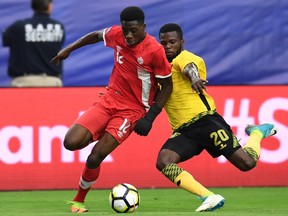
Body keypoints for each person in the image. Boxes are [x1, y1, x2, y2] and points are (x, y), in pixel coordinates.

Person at [51, 6, 172, 213]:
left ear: (144, 27)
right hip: (109, 100)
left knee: (95, 157)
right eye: (126, 31)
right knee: (70, 142)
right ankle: (100, 133)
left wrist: (150, 117)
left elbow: (168, 86)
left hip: (132, 110)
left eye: (134, 30)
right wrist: (68, 49)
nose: (129, 35)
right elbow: (97, 35)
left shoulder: (154, 50)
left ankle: (78, 201)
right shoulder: (117, 34)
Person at [156, 23, 277, 212]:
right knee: (164, 161)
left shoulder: (185, 57)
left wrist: (195, 78)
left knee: (247, 164)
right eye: (163, 43)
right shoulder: (160, 69)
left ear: (181, 42)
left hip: (206, 122)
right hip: (184, 131)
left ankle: (257, 133)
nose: (168, 46)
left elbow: (189, 67)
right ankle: (209, 196)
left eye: (172, 42)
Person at [2, 0, 65, 87]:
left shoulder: (18, 27)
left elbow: (6, 40)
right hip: (52, 82)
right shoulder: (59, 27)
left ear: (33, 7)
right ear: (50, 6)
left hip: (24, 83)